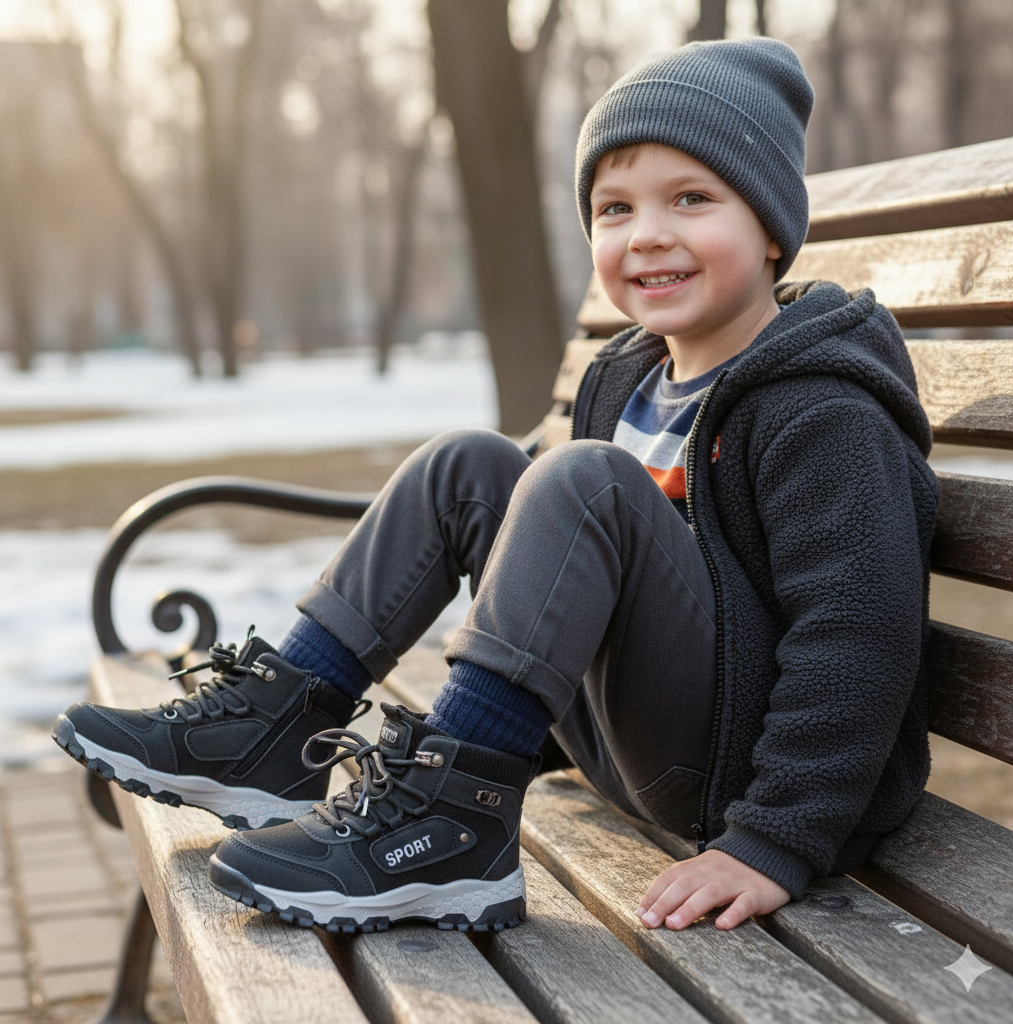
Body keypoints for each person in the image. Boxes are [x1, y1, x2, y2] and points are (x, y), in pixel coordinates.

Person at [52, 38, 939, 936]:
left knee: (583, 479)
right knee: (468, 465)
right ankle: (277, 726)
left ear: (773, 227)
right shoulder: (623, 378)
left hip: (757, 781)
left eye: (693, 199)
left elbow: (859, 631)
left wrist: (775, 839)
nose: (648, 234)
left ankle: (451, 826)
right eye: (615, 208)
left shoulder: (817, 408)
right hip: (650, 744)